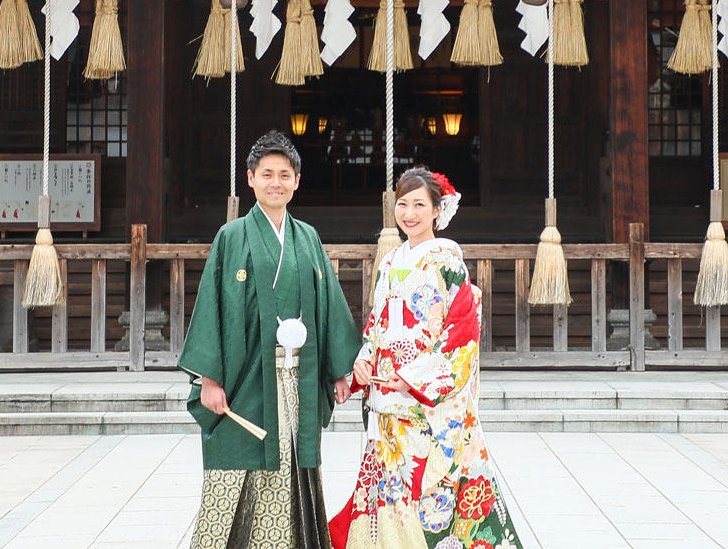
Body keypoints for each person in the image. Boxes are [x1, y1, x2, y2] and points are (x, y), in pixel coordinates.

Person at [181, 130, 360, 549]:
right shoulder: (232, 236)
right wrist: (209, 378)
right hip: (247, 377)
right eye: (266, 174)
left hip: (299, 375)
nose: (275, 182)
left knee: (291, 462)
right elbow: (212, 306)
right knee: (240, 460)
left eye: (284, 174)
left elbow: (329, 304)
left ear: (297, 180)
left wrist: (339, 370)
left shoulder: (308, 237)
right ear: (250, 179)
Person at [330, 168, 521, 549]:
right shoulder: (389, 262)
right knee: (388, 487)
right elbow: (376, 325)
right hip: (387, 395)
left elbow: (462, 332)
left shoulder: (448, 259)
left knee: (433, 490)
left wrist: (415, 378)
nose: (410, 213)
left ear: (438, 210)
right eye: (403, 204)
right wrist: (362, 364)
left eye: (420, 204)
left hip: (427, 401)